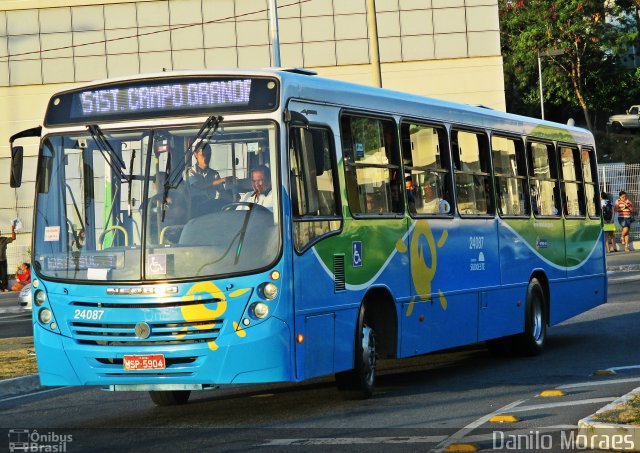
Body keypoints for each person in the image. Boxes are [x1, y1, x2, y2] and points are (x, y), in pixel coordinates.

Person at [0, 223, 16, 292]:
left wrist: (13, 230)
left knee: (4, 275)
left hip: (3, 260)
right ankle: (0, 288)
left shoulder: (4, 239)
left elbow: (13, 238)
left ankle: (4, 288)